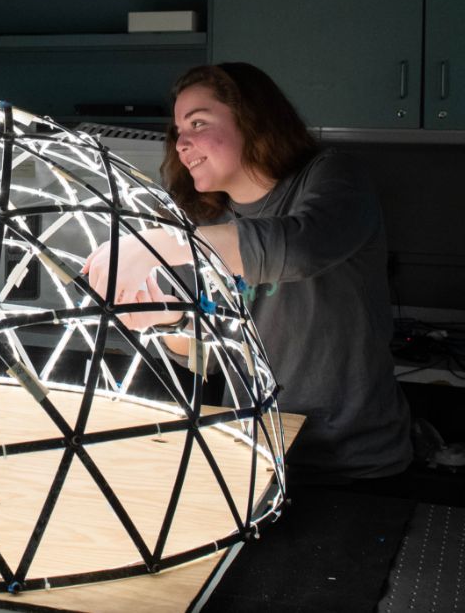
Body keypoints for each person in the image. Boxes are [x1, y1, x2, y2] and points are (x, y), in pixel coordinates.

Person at [83, 62, 412, 485]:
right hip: (253, 456)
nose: (182, 143)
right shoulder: (210, 219)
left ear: (253, 121)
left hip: (352, 466)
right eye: (178, 130)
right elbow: (222, 356)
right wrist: (169, 319)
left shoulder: (333, 176)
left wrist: (163, 244)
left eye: (198, 123)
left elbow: (299, 246)